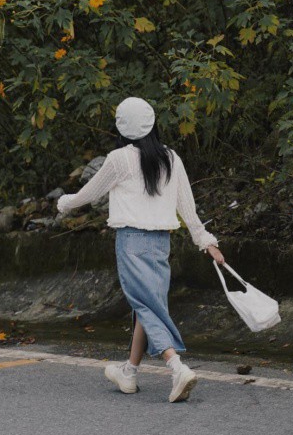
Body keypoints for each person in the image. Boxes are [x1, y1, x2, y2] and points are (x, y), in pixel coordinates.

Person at [55, 96, 225, 403]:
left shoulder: (119, 159)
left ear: (122, 128)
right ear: (152, 124)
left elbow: (88, 194)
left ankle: (177, 367)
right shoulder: (171, 158)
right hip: (161, 244)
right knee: (147, 305)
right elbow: (187, 208)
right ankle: (129, 373)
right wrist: (206, 241)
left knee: (145, 306)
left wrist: (64, 203)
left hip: (131, 243)